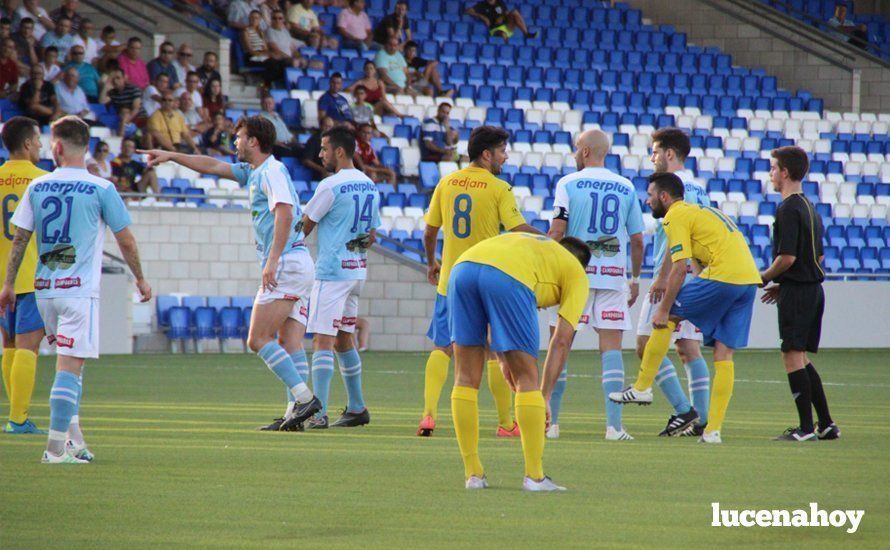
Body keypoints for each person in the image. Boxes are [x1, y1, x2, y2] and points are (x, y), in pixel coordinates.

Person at [139, 116, 324, 432]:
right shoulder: (254, 172)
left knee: (257, 339)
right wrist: (171, 156)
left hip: (286, 264)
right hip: (298, 263)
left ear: (253, 141)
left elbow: (285, 212)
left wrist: (272, 261)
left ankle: (305, 398)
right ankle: (295, 412)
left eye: (238, 137)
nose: (234, 142)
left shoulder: (272, 170)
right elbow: (211, 166)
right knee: (290, 343)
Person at [0, 115, 152, 463]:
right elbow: (125, 240)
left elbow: (22, 237)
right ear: (86, 148)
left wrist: (9, 284)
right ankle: (54, 450)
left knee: (67, 367)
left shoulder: (38, 187)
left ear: (56, 147)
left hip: (43, 292)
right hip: (78, 292)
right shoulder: (101, 188)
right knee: (70, 368)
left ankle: (74, 441)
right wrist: (140, 278)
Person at [609, 172, 761, 445]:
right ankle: (713, 430)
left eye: (650, 195)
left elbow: (679, 268)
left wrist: (664, 310)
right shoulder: (704, 211)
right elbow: (701, 259)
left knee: (665, 319)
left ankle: (642, 387)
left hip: (724, 277)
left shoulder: (674, 216)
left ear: (664, 197)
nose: (647, 201)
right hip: (748, 281)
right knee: (724, 354)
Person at [418, 125, 538, 438]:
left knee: (442, 346)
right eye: (502, 151)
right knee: (492, 351)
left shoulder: (447, 182)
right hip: (486, 278)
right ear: (487, 154)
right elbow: (517, 229)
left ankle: (428, 415)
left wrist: (432, 262)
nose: (506, 156)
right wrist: (554, 241)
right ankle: (505, 422)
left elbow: (429, 232)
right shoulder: (499, 188)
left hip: (451, 280)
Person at [449, 232, 589, 491]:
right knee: (527, 379)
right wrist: (544, 395)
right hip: (509, 277)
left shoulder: (538, 248)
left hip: (462, 268)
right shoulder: (577, 274)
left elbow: (490, 302)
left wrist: (502, 359)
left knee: (464, 377)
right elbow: (561, 341)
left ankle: (473, 475)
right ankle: (534, 477)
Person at [546, 129, 644, 441]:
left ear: (586, 151)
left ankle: (551, 423)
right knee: (611, 349)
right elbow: (638, 239)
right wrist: (636, 278)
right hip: (613, 275)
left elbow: (558, 229)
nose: (575, 154)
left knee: (560, 344)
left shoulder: (568, 183)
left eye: (577, 149)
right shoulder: (626, 186)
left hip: (575, 274)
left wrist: (544, 266)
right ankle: (614, 427)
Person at [300, 125, 380, 429]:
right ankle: (357, 407)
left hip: (332, 273)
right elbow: (370, 237)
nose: (320, 154)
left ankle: (317, 414)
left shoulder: (330, 186)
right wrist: (350, 247)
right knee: (344, 339)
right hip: (356, 272)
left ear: (340, 152)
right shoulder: (369, 185)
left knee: (322, 338)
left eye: (324, 149)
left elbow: (304, 227)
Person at [761, 146, 839, 442]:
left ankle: (805, 429)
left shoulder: (787, 209)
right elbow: (816, 258)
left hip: (799, 292)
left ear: (784, 172)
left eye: (772, 168)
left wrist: (765, 277)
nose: (770, 174)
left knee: (791, 356)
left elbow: (788, 257)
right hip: (811, 289)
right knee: (801, 357)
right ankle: (827, 424)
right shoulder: (810, 208)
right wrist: (788, 283)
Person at [638, 127, 712, 437]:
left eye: (655, 152)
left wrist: (662, 278)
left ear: (669, 154)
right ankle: (702, 420)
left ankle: (685, 411)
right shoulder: (700, 189)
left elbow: (676, 240)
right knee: (688, 347)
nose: (652, 157)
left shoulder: (677, 189)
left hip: (673, 278)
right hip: (696, 277)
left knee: (645, 345)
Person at [0, 116, 47, 435]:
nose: (41, 146)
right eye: (39, 140)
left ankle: (15, 415)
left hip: (2, 279)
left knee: (10, 345)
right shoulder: (45, 180)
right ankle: (18, 419)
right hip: (31, 274)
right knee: (29, 347)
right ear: (28, 143)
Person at [100, 68, 145, 137]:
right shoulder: (113, 92)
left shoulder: (133, 89)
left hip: (139, 118)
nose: (115, 81)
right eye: (113, 78)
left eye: (118, 78)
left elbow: (136, 109)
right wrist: (106, 87)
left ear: (124, 78)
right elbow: (102, 102)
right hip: (123, 118)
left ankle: (120, 140)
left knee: (124, 115)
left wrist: (125, 121)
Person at [466, 0, 537, 42]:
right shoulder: (482, 4)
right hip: (495, 28)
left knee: (515, 12)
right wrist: (482, 16)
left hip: (507, 26)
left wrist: (502, 17)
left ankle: (526, 34)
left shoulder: (500, 2)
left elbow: (506, 13)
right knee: (503, 34)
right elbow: (468, 11)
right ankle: (506, 48)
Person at [301, 115, 333, 180]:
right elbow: (306, 161)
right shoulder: (313, 140)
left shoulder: (335, 141)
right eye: (325, 126)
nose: (327, 129)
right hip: (318, 173)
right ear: (321, 126)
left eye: (330, 127)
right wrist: (322, 170)